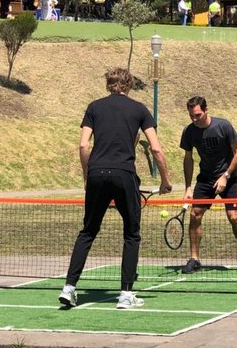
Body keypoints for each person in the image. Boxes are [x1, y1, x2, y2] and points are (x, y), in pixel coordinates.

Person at [59, 67, 172, 309]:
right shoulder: (140, 109)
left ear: (108, 84)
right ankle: (126, 294)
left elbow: (83, 146)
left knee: (88, 231)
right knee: (131, 233)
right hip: (124, 174)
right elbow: (156, 149)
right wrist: (165, 180)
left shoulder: (94, 107)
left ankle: (69, 288)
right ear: (128, 85)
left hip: (97, 173)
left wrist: (87, 176)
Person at [180, 96, 237, 274]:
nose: (194, 119)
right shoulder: (189, 132)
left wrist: (225, 175)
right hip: (205, 179)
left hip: (229, 177)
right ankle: (194, 258)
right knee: (195, 215)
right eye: (191, 116)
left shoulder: (223, 126)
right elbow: (188, 159)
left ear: (206, 110)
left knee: (233, 216)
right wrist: (188, 187)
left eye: (197, 115)